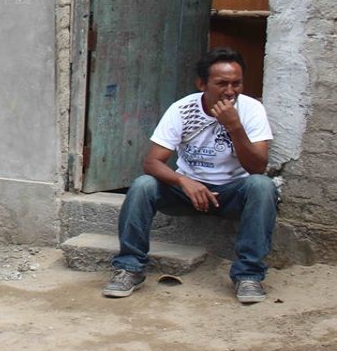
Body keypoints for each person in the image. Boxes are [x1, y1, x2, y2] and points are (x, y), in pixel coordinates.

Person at [103, 47, 277, 304]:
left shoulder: (251, 110)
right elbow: (151, 162)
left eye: (236, 83)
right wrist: (184, 181)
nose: (230, 91)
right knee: (143, 185)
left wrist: (234, 126)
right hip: (187, 192)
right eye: (221, 84)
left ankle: (248, 276)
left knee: (262, 186)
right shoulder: (182, 109)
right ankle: (130, 267)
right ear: (201, 84)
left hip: (231, 193)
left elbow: (257, 168)